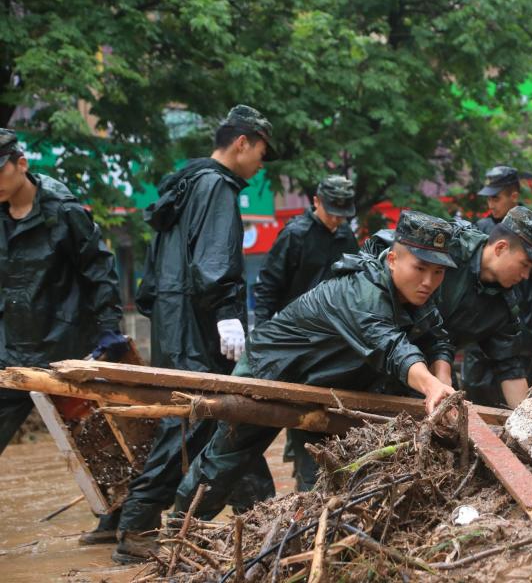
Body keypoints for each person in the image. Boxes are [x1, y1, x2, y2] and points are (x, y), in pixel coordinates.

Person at [172, 211, 457, 519]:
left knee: (332, 470)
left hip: (325, 387)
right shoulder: (360, 293)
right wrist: (431, 387)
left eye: (439, 272)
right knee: (226, 463)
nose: (429, 281)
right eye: (420, 268)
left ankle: (318, 538)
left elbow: (438, 338)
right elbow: (390, 347)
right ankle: (179, 530)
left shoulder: (417, 295)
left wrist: (443, 382)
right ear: (392, 260)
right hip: (271, 371)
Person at [113, 105, 280, 563]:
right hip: (200, 320)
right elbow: (213, 260)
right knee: (196, 418)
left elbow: (156, 271)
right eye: (262, 151)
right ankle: (138, 523)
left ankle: (263, 516)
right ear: (242, 142)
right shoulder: (215, 186)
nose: (261, 163)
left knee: (231, 413)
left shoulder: (185, 182)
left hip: (175, 318)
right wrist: (227, 312)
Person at [0, 128, 127, 544]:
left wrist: (109, 329)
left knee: (93, 437)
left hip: (65, 349)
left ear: (21, 164)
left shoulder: (63, 210)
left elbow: (100, 270)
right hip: (9, 349)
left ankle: (120, 516)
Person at [364, 206, 532, 408]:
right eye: (524, 265)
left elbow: (509, 366)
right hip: (374, 354)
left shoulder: (503, 307)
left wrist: (528, 420)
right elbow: (380, 252)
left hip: (434, 373)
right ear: (500, 248)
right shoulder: (449, 246)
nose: (526, 276)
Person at [252, 174, 359, 491]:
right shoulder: (295, 235)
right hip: (296, 338)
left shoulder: (346, 238)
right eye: (332, 211)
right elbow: (269, 286)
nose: (337, 218)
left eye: (343, 213)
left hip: (334, 340)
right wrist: (262, 334)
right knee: (302, 409)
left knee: (331, 410)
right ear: (315, 202)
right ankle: (307, 479)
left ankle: (323, 475)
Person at [461, 166, 532, 405]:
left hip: (523, 328)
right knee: (476, 391)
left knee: (517, 386)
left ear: (514, 196)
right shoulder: (478, 232)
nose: (491, 204)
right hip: (480, 327)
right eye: (488, 198)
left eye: (496, 197)